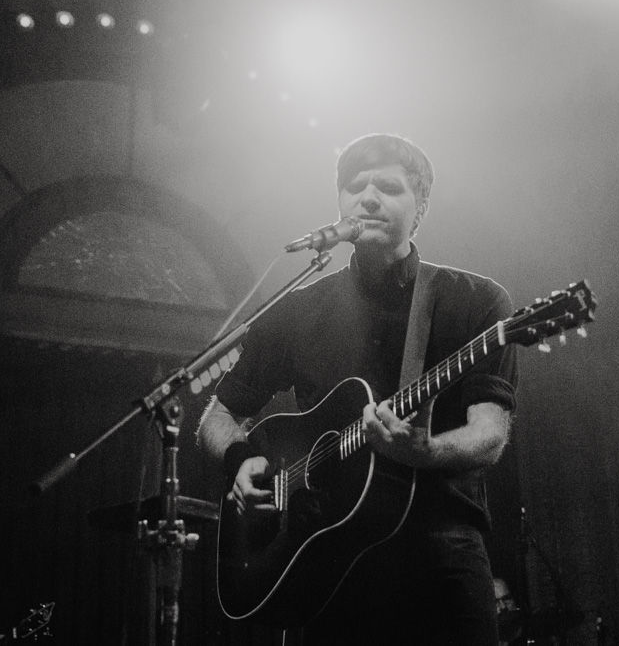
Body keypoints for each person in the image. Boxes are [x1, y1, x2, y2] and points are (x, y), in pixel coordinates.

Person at [196, 133, 518, 645]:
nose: (367, 198)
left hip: (440, 553)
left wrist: (427, 450)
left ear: (422, 208)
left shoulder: (472, 301)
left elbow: (490, 434)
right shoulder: (296, 309)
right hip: (324, 557)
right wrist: (240, 462)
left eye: (389, 187)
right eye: (354, 187)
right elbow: (217, 415)